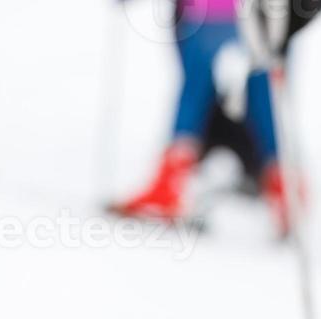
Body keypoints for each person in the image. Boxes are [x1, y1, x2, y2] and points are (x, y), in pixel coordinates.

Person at [111, 0, 287, 230]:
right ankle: (282, 189)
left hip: (211, 11)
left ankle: (169, 185)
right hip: (262, 13)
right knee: (262, 92)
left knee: (195, 90)